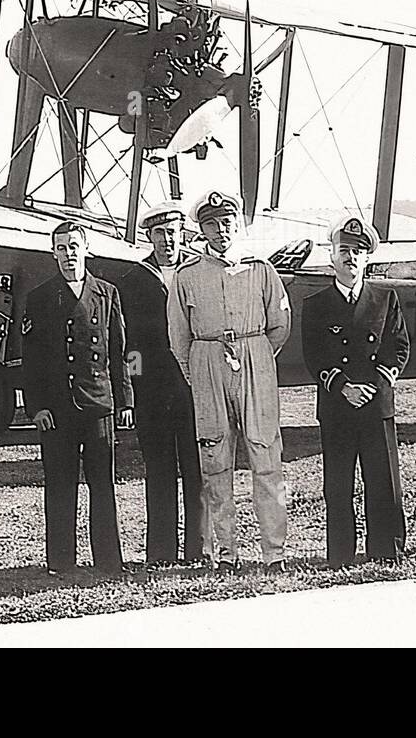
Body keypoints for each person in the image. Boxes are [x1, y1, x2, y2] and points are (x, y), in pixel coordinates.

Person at [167, 189, 292, 574]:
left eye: (226, 222)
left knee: (265, 454)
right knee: (215, 458)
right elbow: (178, 335)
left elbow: (280, 323)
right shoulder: (186, 276)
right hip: (206, 360)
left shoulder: (260, 269)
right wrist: (199, 373)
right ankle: (227, 552)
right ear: (201, 230)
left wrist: (256, 358)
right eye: (211, 224)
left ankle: (275, 552)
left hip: (254, 354)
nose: (220, 231)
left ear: (237, 224)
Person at [21, 220, 133, 576]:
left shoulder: (107, 293)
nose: (68, 255)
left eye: (73, 246)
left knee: (103, 485)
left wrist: (125, 400)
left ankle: (109, 561)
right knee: (60, 484)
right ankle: (61, 562)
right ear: (53, 253)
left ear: (86, 249)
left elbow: (120, 352)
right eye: (61, 248)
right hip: (57, 407)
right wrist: (36, 406)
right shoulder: (40, 298)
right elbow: (31, 358)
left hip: (98, 402)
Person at [302, 215, 410, 568]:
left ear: (367, 258)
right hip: (337, 404)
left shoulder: (385, 298)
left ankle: (386, 550)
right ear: (331, 255)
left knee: (383, 479)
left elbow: (399, 346)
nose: (351, 257)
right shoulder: (316, 304)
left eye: (358, 251)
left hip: (377, 403)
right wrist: (344, 387)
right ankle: (341, 554)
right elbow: (313, 355)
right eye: (344, 250)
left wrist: (376, 383)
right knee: (338, 484)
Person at [115, 201, 205, 566]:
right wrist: (134, 390)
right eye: (160, 234)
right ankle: (161, 552)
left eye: (173, 232)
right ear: (149, 237)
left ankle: (200, 548)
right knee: (160, 471)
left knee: (197, 471)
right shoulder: (132, 282)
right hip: (153, 394)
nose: (168, 240)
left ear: (182, 234)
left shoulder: (197, 273)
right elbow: (129, 345)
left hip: (196, 390)